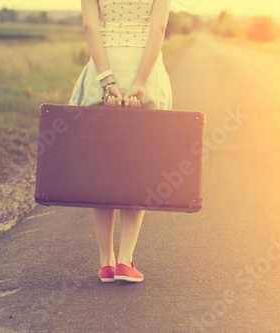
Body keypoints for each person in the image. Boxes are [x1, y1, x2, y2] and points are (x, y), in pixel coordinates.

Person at [68, 0, 172, 283]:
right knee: (137, 168)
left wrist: (106, 79)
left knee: (101, 170)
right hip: (144, 71)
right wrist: (140, 82)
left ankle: (105, 262)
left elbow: (91, 26)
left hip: (105, 69)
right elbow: (159, 26)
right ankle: (125, 261)